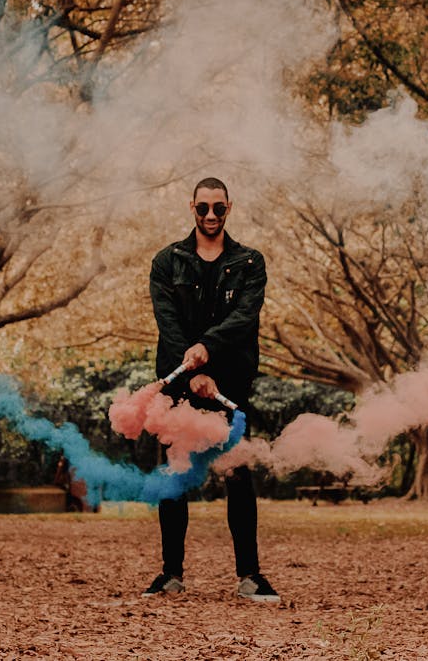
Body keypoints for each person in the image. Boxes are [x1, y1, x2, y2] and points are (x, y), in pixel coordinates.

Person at [141, 176, 279, 603]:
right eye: (204, 208)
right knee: (177, 472)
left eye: (219, 208)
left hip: (230, 384)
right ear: (192, 208)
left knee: (237, 473)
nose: (211, 216)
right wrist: (190, 369)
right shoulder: (167, 261)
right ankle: (170, 574)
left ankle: (250, 577)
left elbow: (243, 319)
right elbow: (168, 324)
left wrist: (208, 353)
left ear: (229, 208)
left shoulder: (250, 263)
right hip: (181, 381)